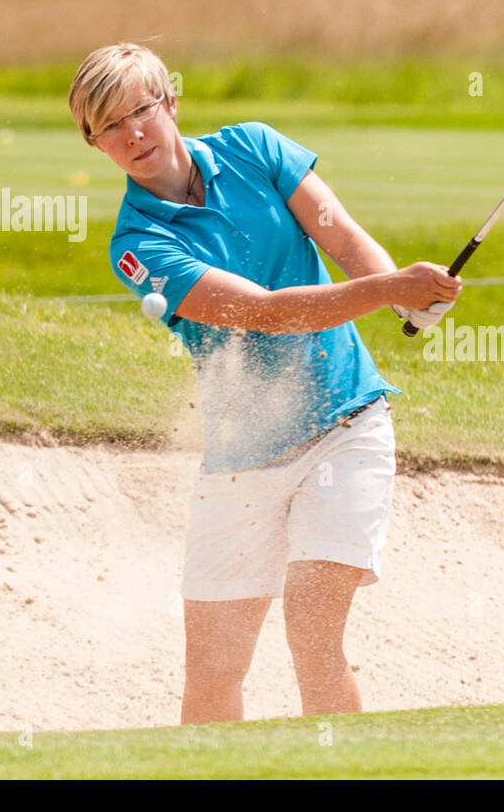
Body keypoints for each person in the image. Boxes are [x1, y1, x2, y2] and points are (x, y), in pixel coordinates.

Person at [67, 43, 461, 724]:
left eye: (141, 109)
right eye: (109, 124)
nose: (132, 132)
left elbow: (343, 239)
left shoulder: (257, 148)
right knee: (213, 674)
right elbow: (264, 314)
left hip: (345, 429)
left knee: (313, 635)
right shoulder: (136, 244)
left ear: (171, 104)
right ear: (93, 141)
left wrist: (405, 296)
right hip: (240, 462)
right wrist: (390, 288)